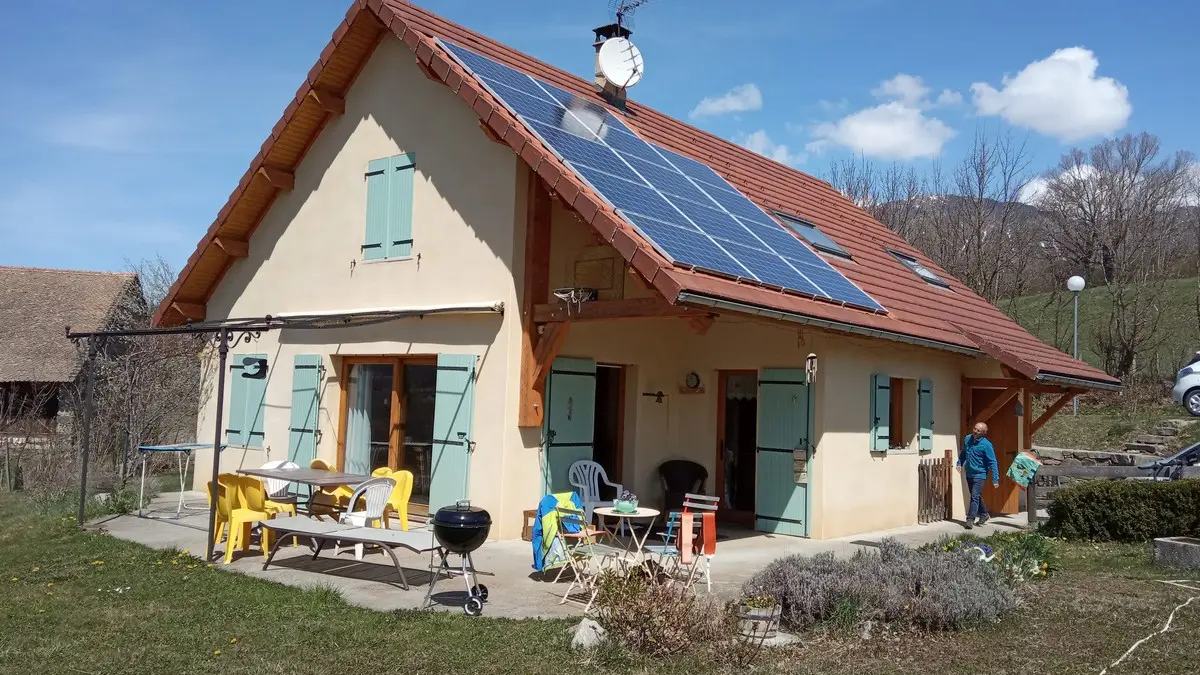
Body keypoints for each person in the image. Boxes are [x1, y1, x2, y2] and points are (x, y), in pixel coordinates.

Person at [957, 422, 999, 529]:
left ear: (983, 433)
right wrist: (959, 463)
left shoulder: (986, 445)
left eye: (978, 431)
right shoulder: (967, 439)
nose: (975, 431)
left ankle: (970, 519)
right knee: (976, 495)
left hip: (980, 474)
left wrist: (995, 479)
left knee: (974, 496)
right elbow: (964, 453)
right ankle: (984, 514)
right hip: (969, 473)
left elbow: (993, 462)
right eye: (974, 428)